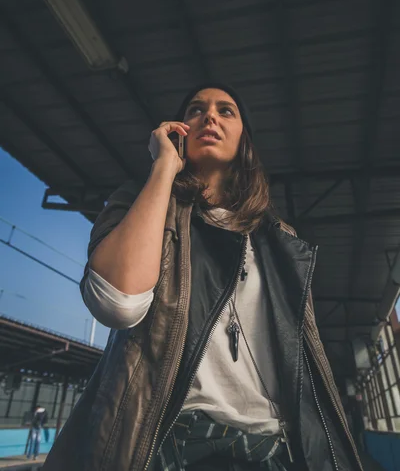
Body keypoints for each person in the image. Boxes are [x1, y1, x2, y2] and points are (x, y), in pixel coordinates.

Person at [43, 84, 363, 471]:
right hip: (168, 443)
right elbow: (118, 303)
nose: (209, 116)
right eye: (196, 110)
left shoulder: (281, 240)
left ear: (244, 140)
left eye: (226, 111)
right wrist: (164, 168)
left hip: (273, 449)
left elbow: (306, 365)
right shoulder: (139, 201)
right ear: (179, 130)